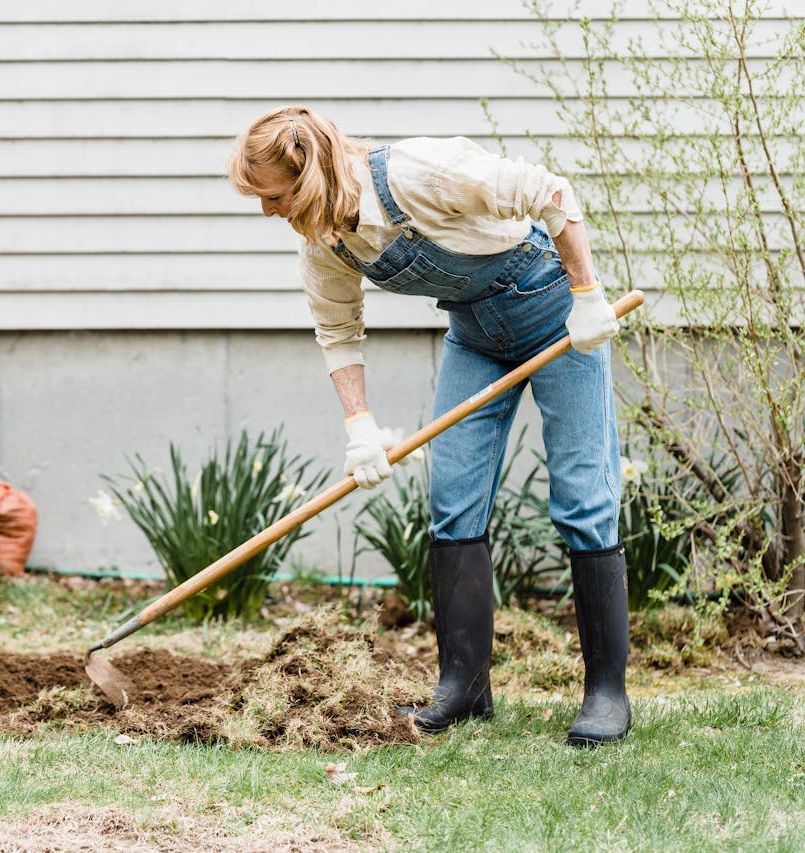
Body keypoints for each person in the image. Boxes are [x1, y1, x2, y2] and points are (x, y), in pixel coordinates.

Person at [227, 105, 630, 747]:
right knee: (453, 502)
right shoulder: (327, 239)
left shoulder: (418, 172)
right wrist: (360, 425)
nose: (268, 211)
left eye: (272, 197)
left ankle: (607, 694)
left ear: (304, 178)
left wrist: (586, 295)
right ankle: (463, 688)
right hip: (477, 337)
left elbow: (551, 192)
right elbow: (338, 331)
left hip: (559, 319)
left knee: (584, 498)